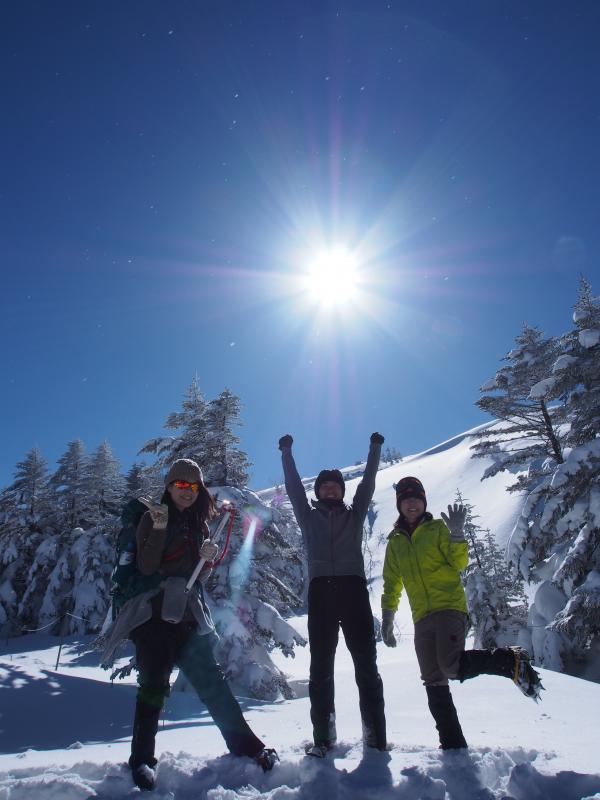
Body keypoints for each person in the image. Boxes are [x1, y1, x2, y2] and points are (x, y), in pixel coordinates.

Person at [106, 458, 277, 790]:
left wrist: (208, 558)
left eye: (193, 486)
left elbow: (197, 578)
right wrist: (157, 527)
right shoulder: (153, 516)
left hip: (186, 615)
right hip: (154, 615)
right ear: (169, 487)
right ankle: (141, 760)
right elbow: (147, 565)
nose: (187, 491)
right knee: (153, 685)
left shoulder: (199, 524)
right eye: (180, 485)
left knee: (211, 682)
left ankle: (246, 746)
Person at [381, 476, 543, 751]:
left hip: (449, 608)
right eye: (406, 500)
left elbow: (459, 562)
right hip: (421, 616)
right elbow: (391, 581)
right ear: (399, 505)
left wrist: (456, 533)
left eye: (416, 499)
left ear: (423, 502)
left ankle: (510, 659)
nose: (411, 504)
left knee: (450, 666)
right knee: (432, 679)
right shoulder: (395, 542)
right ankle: (453, 745)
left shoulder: (436, 529)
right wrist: (388, 615)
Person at [279, 432, 387, 753]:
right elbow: (294, 489)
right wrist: (287, 453)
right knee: (320, 669)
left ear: (341, 490)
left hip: (353, 592)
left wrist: (374, 449)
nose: (329, 488)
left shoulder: (354, 516)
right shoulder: (308, 517)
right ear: (318, 491)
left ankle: (375, 738)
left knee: (366, 666)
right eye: (324, 485)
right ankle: (324, 738)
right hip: (321, 593)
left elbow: (367, 483)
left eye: (335, 485)